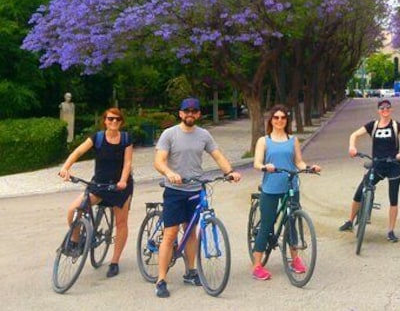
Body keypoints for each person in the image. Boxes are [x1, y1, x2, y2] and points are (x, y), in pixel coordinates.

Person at [152, 97, 242, 298]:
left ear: (199, 114)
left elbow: (217, 155)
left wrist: (230, 171)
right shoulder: (170, 134)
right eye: (187, 111)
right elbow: (159, 161)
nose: (190, 114)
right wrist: (169, 173)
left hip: (195, 189)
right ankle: (161, 280)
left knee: (191, 232)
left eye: (194, 111)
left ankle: (190, 271)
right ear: (181, 113)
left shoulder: (204, 135)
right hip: (175, 190)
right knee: (170, 234)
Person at [58, 107, 133, 278]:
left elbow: (127, 163)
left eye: (117, 119)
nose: (114, 122)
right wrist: (65, 168)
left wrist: (122, 181)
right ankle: (76, 242)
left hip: (120, 187)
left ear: (121, 122)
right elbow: (78, 152)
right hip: (99, 184)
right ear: (105, 121)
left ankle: (115, 261)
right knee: (73, 209)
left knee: (121, 223)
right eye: (110, 119)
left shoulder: (126, 139)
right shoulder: (97, 138)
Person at [251, 105, 321, 281]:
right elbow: (257, 163)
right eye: (276, 117)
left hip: (291, 186)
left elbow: (298, 161)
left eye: (283, 117)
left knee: (292, 222)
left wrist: (308, 168)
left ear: (287, 120)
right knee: (267, 225)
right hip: (271, 187)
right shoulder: (263, 141)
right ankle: (257, 265)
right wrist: (265, 167)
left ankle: (295, 259)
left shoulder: (293, 140)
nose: (280, 120)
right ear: (271, 120)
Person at [339, 99, 400, 242]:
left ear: (391, 110)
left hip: (394, 165)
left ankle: (391, 231)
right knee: (360, 191)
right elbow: (353, 135)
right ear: (378, 111)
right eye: (382, 108)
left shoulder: (396, 125)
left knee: (393, 199)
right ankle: (350, 221)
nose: (385, 110)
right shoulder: (373, 125)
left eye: (387, 108)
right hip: (377, 165)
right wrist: (352, 147)